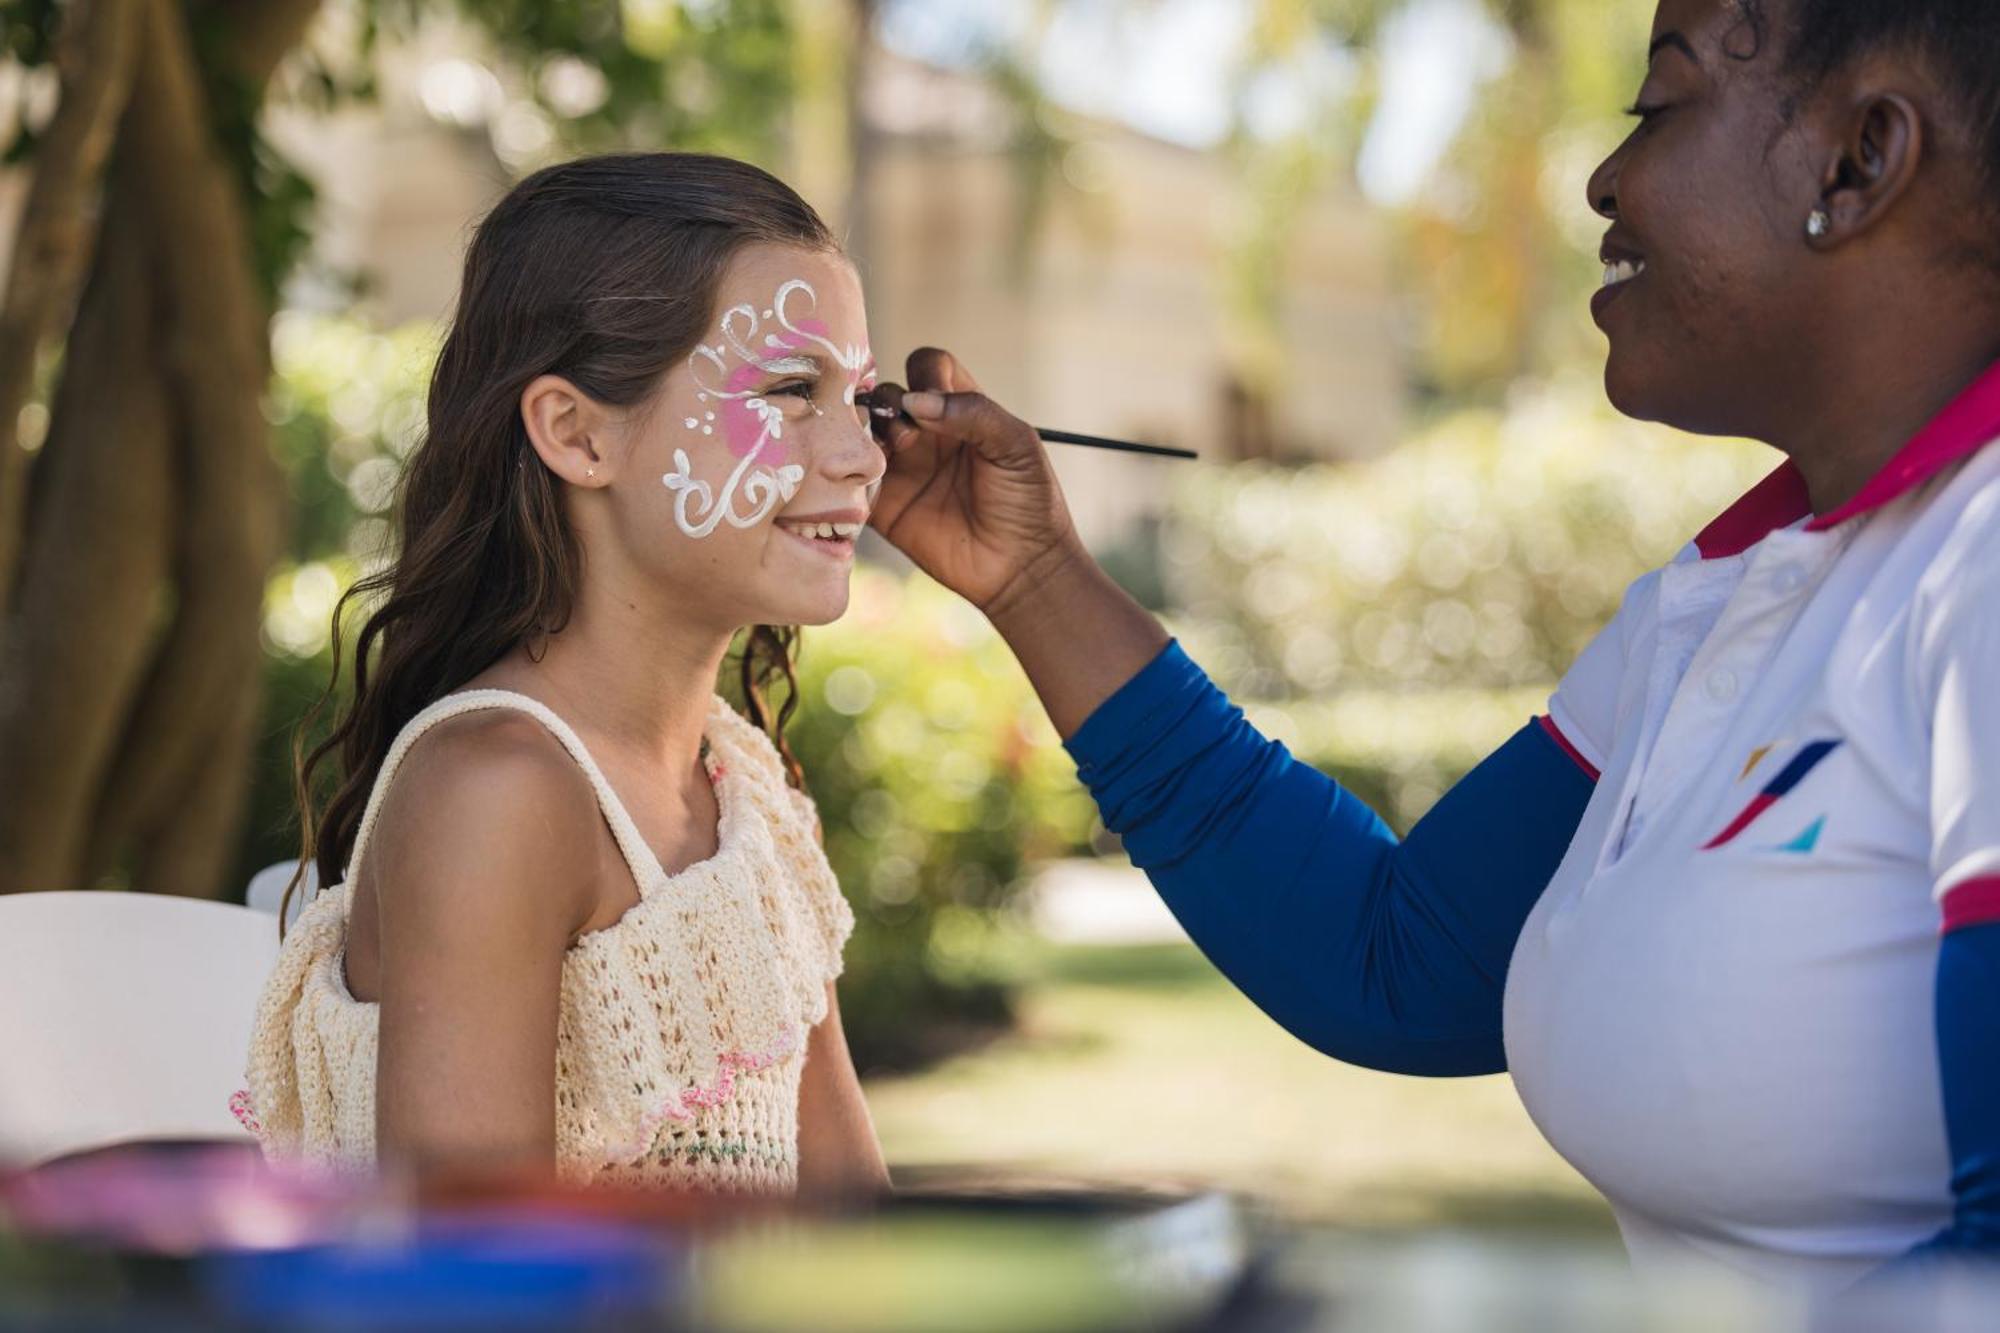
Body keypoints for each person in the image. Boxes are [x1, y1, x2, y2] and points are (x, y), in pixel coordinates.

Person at [861, 0, 2000, 1298]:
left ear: (1860, 162)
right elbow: (1398, 959)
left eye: (1660, 105)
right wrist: (1037, 578)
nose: (1604, 178)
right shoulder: (1729, 595)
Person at [237, 153, 888, 1197]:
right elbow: (472, 1295)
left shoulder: (742, 786)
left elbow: (860, 1238)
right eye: (787, 390)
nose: (862, 454)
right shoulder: (494, 791)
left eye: (859, 397)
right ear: (576, 433)